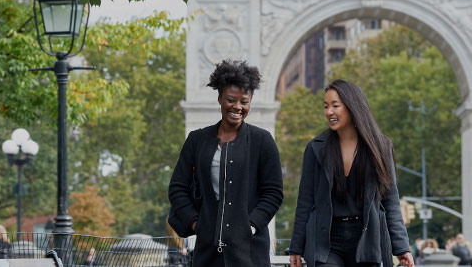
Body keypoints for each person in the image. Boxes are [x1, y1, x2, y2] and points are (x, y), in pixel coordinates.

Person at [168, 60, 284, 267]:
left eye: (244, 101)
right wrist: (196, 223)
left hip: (250, 252)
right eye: (231, 100)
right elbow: (177, 188)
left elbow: (273, 192)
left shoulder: (262, 140)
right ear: (220, 98)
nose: (238, 107)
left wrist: (251, 226)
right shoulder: (197, 140)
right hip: (207, 252)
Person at [288, 79, 415, 267]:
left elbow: (390, 201)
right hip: (327, 240)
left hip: (367, 238)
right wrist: (296, 247)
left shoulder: (380, 147)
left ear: (351, 106)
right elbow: (305, 201)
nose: (329, 112)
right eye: (326, 106)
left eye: (335, 106)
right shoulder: (316, 148)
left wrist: (402, 248)